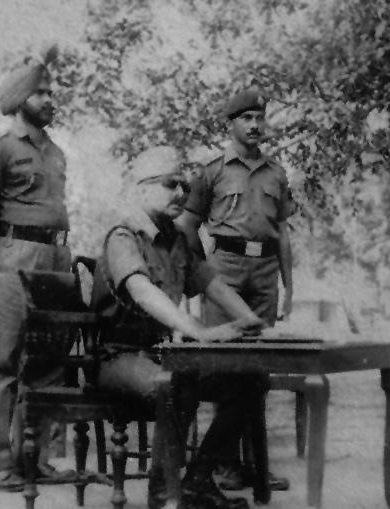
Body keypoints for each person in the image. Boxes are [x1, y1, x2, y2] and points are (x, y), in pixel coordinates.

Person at [91, 146, 266, 509]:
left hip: (164, 356)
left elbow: (213, 286)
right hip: (118, 358)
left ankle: (198, 481)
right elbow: (141, 291)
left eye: (184, 186)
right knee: (174, 384)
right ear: (141, 189)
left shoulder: (179, 241)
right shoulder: (124, 236)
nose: (181, 194)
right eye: (170, 184)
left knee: (249, 380)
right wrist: (197, 330)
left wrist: (253, 322)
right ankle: (164, 494)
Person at [0, 45, 73, 492]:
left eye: (51, 92)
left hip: (56, 259)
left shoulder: (58, 152)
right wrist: (6, 252)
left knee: (49, 361)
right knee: (3, 362)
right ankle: (1, 464)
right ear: (19, 98)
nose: (50, 99)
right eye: (40, 93)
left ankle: (38, 458)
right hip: (13, 258)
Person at [177, 88, 294, 491]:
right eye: (246, 118)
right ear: (231, 124)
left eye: (260, 118)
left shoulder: (276, 173)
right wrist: (201, 273)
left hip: (264, 273)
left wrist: (288, 285)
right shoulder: (212, 171)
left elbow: (281, 234)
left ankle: (254, 464)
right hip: (223, 268)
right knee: (225, 367)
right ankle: (224, 467)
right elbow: (188, 225)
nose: (255, 125)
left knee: (258, 370)